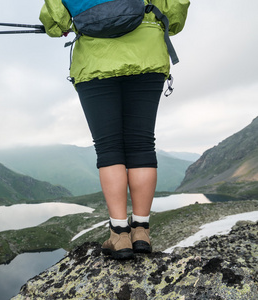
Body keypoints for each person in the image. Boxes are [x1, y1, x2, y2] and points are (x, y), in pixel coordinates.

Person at [39, 0, 190, 259]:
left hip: (95, 62)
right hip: (147, 55)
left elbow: (55, 22)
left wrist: (66, 25)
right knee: (142, 144)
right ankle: (141, 231)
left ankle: (119, 235)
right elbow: (175, 14)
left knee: (109, 148)